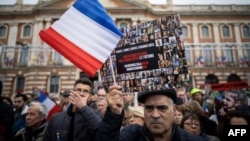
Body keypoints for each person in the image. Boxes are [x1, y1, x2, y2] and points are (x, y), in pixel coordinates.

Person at [95, 85, 205, 141]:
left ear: (174, 110)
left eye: (162, 108)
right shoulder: (132, 135)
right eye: (149, 108)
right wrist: (113, 114)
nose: (155, 115)